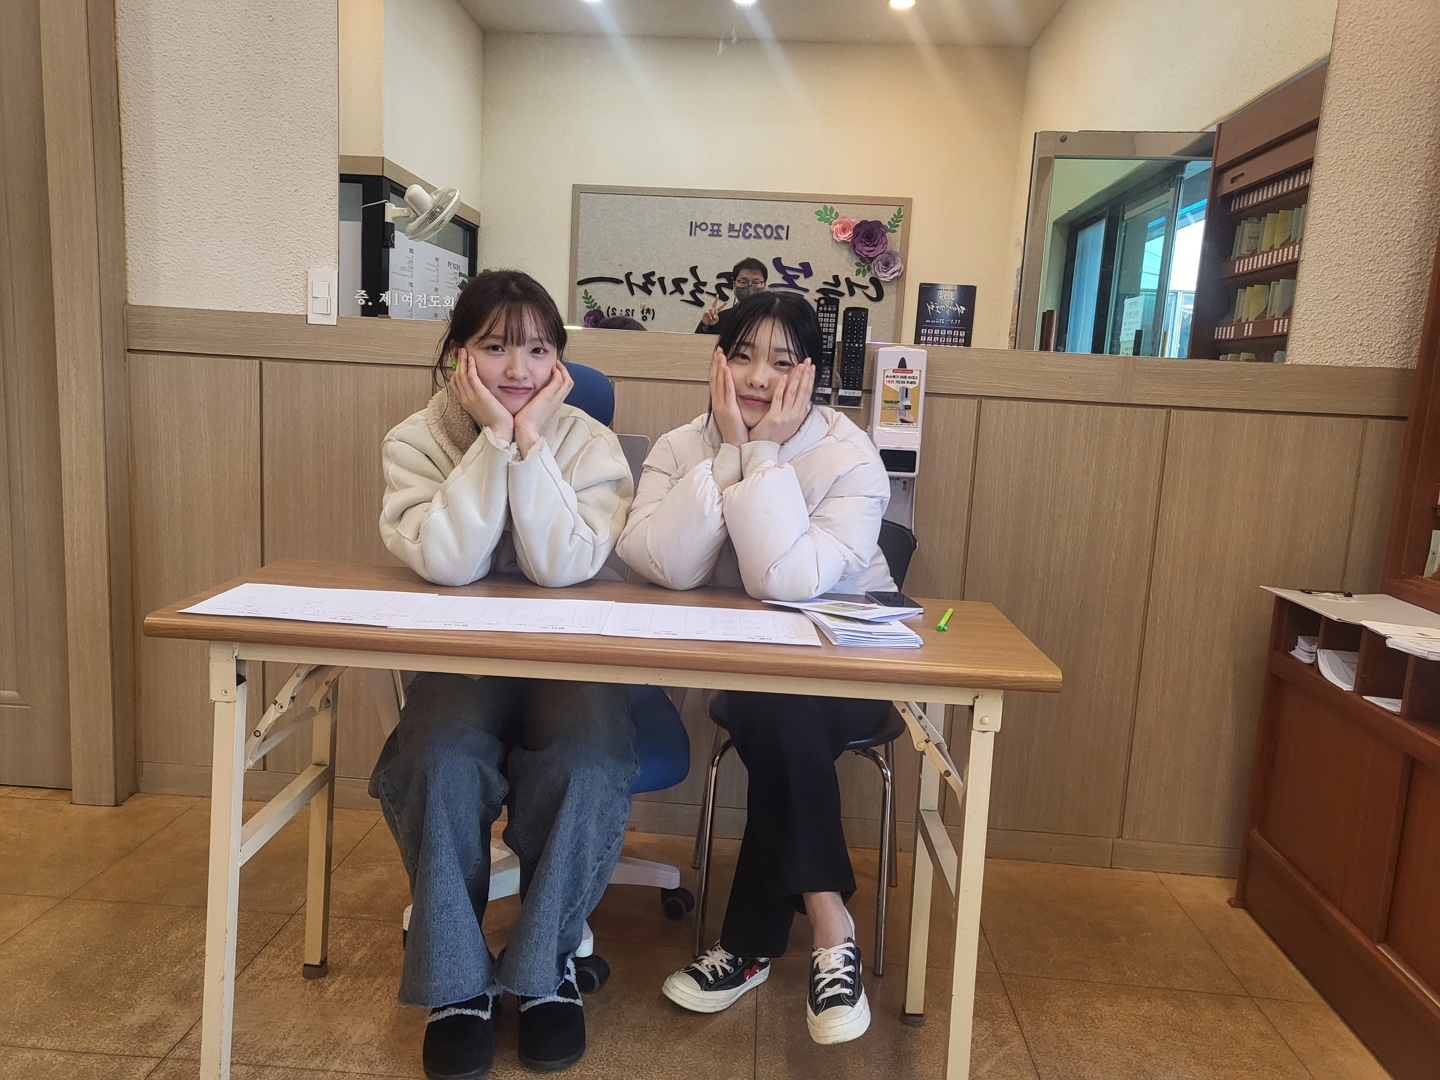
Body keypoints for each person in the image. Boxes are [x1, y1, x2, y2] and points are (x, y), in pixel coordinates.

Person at [374, 269, 638, 1079]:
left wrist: (532, 443)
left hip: (568, 659)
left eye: (538, 349)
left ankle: (546, 968)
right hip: (467, 659)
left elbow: (562, 567)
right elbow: (449, 562)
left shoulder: (590, 443)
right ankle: (456, 984)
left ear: (561, 361)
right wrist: (493, 439)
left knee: (588, 761)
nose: (518, 369)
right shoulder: (415, 440)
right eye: (495, 347)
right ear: (459, 354)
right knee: (435, 757)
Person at [616, 291, 894, 1046]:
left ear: (811, 373)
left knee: (781, 714)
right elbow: (666, 567)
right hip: (753, 673)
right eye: (741, 356)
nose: (758, 377)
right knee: (774, 709)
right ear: (717, 360)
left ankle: (751, 946)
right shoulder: (681, 446)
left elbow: (784, 581)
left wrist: (764, 453)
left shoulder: (851, 457)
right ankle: (829, 926)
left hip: (847, 670)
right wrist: (732, 454)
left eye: (780, 361)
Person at [695, 257, 769, 335]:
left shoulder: (773, 317)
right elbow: (696, 342)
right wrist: (705, 326)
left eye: (756, 283)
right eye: (743, 282)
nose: (749, 287)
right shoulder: (719, 319)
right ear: (734, 286)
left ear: (764, 286)